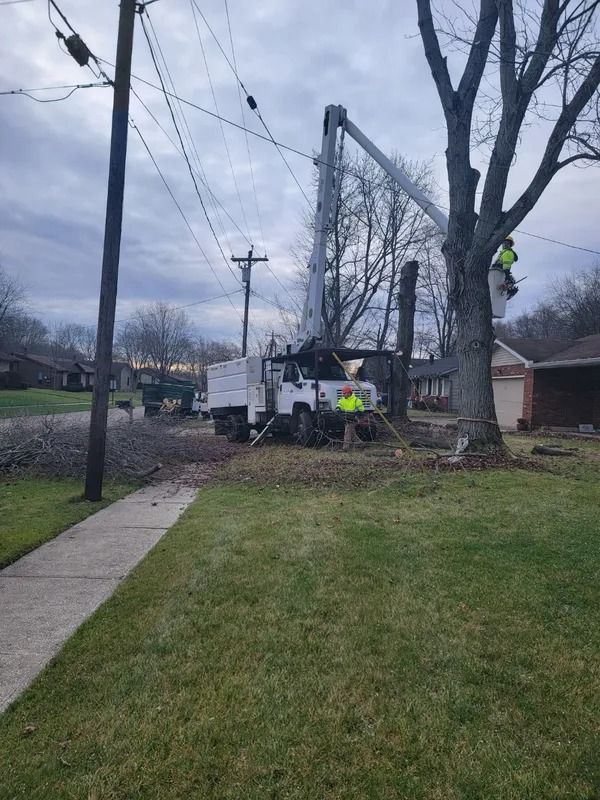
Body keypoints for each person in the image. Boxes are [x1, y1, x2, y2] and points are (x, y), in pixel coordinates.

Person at [336, 385, 365, 450]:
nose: (343, 395)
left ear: (349, 393)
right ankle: (360, 443)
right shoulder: (342, 400)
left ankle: (345, 448)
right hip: (346, 418)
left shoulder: (356, 400)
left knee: (347, 432)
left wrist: (358, 415)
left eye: (344, 393)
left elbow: (361, 410)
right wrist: (338, 408)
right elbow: (339, 404)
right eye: (343, 393)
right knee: (351, 433)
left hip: (353, 419)